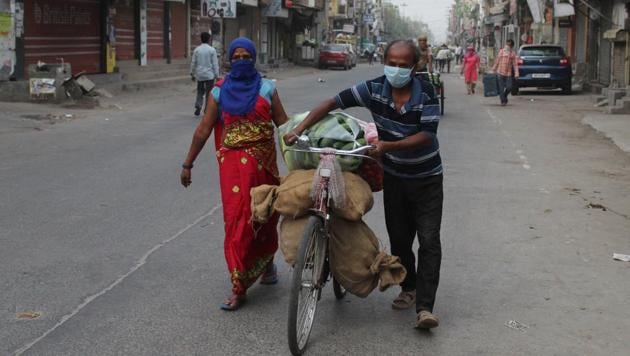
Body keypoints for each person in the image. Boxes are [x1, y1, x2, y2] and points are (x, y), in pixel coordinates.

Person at [283, 39, 444, 330]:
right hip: (395, 177)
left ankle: (425, 308)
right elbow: (333, 102)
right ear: (385, 62)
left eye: (403, 65)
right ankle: (409, 288)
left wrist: (387, 146)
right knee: (399, 238)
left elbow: (427, 135)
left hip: (427, 178)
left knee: (429, 239)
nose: (396, 69)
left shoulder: (427, 93)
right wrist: (299, 129)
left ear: (414, 66)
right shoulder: (374, 89)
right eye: (391, 64)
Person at [181, 37, 290, 311]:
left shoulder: (267, 88)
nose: (242, 61)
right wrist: (187, 164)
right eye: (237, 56)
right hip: (233, 169)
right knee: (238, 220)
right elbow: (203, 130)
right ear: (230, 59)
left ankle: (267, 266)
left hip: (264, 166)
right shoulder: (218, 92)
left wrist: (306, 152)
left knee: (263, 215)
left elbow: (285, 126)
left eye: (246, 57)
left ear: (253, 59)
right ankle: (239, 285)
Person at [190, 32, 220, 116]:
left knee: (200, 91)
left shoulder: (197, 50)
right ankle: (206, 109)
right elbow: (215, 64)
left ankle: (198, 106)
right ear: (209, 39)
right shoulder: (212, 50)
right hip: (209, 75)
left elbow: (193, 62)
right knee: (208, 93)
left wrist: (192, 73)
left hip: (200, 75)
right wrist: (217, 75)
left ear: (201, 39)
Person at [491, 39, 519, 106]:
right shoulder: (501, 51)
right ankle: (503, 101)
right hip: (500, 72)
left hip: (508, 73)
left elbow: (515, 64)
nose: (507, 46)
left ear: (512, 46)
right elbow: (497, 61)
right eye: (507, 44)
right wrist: (493, 69)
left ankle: (505, 95)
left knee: (509, 87)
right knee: (501, 88)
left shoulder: (513, 53)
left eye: (509, 45)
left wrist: (516, 73)